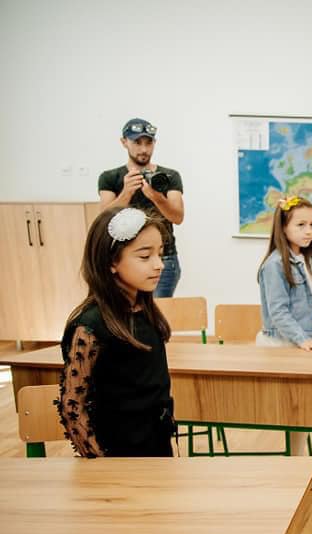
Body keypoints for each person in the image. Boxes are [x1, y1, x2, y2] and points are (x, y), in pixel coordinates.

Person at [56, 207, 176, 457]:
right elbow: (73, 408)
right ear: (111, 262)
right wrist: (102, 467)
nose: (159, 265)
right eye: (145, 256)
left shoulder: (145, 312)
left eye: (160, 254)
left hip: (156, 450)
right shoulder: (89, 326)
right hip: (117, 459)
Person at [257, 196, 312, 458]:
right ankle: (298, 465)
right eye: (301, 225)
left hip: (303, 343)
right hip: (285, 345)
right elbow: (278, 312)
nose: (309, 231)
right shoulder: (275, 265)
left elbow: (303, 300)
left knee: (306, 414)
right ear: (283, 227)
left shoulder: (303, 259)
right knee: (296, 412)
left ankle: (303, 464)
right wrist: (302, 340)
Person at [98, 118, 184, 298]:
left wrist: (156, 197)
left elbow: (177, 217)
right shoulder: (110, 177)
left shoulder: (169, 176)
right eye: (137, 142)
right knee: (125, 309)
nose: (144, 149)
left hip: (164, 257)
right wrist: (126, 192)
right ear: (124, 142)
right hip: (124, 258)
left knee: (157, 310)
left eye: (148, 143)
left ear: (154, 143)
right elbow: (103, 220)